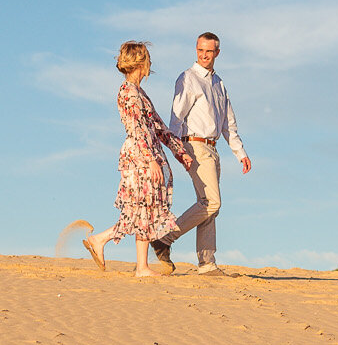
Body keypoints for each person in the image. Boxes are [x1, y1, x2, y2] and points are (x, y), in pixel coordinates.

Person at [84, 41, 196, 278]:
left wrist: (179, 151)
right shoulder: (129, 93)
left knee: (144, 210)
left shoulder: (138, 92)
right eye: (147, 58)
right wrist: (150, 159)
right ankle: (135, 262)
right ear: (140, 62)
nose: (150, 63)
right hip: (139, 155)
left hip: (145, 152)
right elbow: (137, 128)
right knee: (141, 208)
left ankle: (108, 245)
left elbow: (158, 126)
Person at [152, 31, 251, 274]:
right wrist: (177, 149)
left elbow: (229, 123)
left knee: (208, 205)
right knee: (212, 202)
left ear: (217, 53)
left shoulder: (219, 83)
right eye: (200, 50)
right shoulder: (187, 78)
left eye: (209, 51)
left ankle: (207, 263)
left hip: (213, 147)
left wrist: (240, 153)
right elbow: (177, 116)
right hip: (194, 145)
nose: (204, 55)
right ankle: (165, 238)